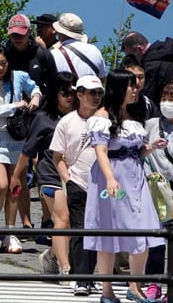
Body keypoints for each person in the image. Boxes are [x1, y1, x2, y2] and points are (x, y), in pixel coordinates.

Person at [85, 69, 165, 303]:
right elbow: (100, 151)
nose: (136, 89)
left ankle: (135, 285)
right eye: (131, 85)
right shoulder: (102, 117)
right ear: (119, 88)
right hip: (111, 177)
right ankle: (107, 290)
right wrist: (110, 178)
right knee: (107, 232)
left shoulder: (134, 116)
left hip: (135, 176)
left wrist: (151, 148)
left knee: (143, 229)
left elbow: (135, 151)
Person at [0, 45, 40, 253]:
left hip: (16, 138)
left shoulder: (19, 76)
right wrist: (14, 106)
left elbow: (35, 88)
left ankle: (10, 233)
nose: (1, 68)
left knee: (15, 187)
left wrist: (36, 97)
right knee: (1, 185)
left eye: (4, 63)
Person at [15, 71, 77, 281]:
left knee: (71, 224)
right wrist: (16, 177)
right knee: (62, 220)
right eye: (64, 92)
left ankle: (51, 255)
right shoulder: (43, 118)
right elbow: (28, 150)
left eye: (72, 92)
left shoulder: (80, 117)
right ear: (55, 93)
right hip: (50, 174)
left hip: (75, 175)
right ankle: (67, 268)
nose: (69, 96)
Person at [51, 74, 103, 296]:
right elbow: (57, 156)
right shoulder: (67, 121)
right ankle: (82, 278)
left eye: (100, 93)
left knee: (98, 231)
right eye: (92, 93)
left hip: (102, 185)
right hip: (77, 182)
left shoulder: (107, 120)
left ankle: (91, 275)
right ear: (79, 95)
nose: (96, 97)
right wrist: (68, 179)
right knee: (80, 229)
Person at [143, 82, 173, 303]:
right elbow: (141, 153)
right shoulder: (150, 124)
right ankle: (153, 283)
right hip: (156, 188)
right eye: (165, 97)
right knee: (156, 239)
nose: (168, 102)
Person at [50, 12, 107, 79]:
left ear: (60, 31)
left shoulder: (53, 54)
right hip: (89, 89)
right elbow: (102, 78)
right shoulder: (94, 50)